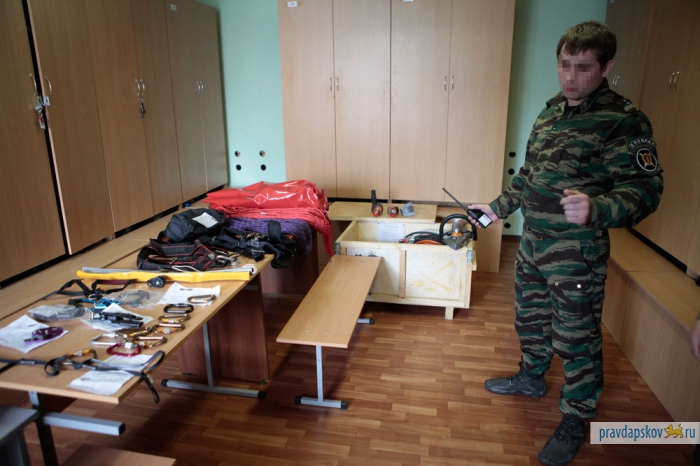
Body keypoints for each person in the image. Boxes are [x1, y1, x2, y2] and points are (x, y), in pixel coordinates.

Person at [467, 21, 663, 466]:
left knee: (576, 338)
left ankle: (576, 416)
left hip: (577, 255)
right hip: (533, 246)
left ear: (606, 67)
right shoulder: (551, 111)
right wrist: (496, 209)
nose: (570, 77)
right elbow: (529, 177)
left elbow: (646, 191)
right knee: (530, 319)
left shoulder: (623, 120)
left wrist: (597, 208)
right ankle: (531, 376)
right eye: (564, 65)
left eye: (583, 67)